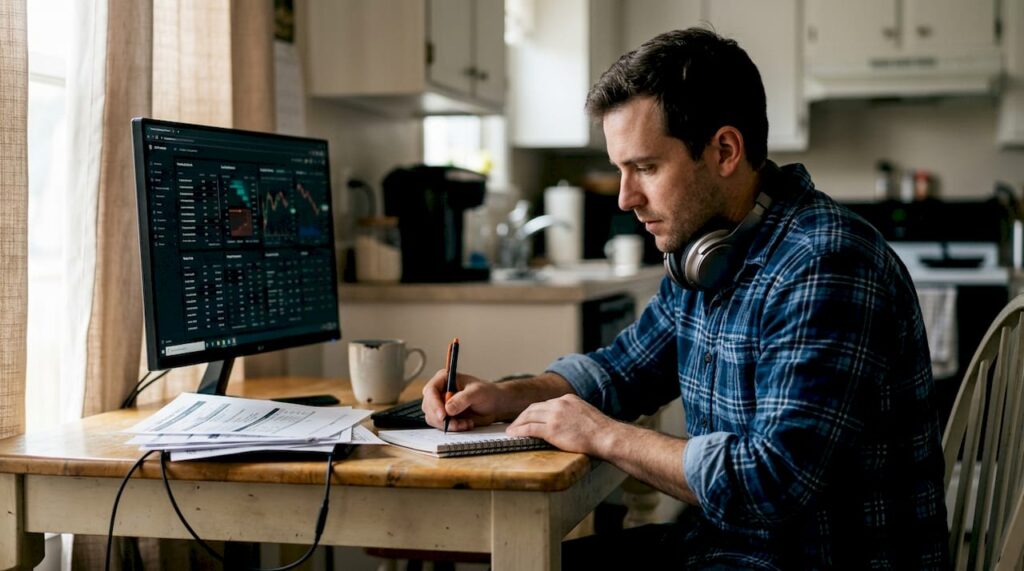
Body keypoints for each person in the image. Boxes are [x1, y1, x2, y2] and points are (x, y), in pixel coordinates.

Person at [421, 28, 948, 569]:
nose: (626, 198)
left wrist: (602, 435)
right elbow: (622, 370)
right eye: (620, 170)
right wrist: (507, 395)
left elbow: (770, 483)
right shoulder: (707, 252)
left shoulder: (825, 262)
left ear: (724, 150)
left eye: (646, 168)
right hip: (727, 548)